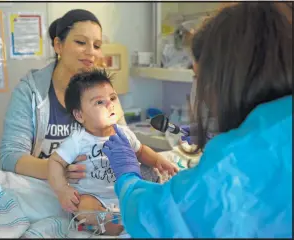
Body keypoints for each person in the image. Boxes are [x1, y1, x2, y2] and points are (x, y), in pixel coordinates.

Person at [102, 2, 292, 238]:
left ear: (223, 78)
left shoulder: (233, 163)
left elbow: (161, 216)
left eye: (198, 77)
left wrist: (128, 176)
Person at [0, 9, 129, 181]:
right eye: (81, 42)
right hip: (42, 187)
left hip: (92, 187)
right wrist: (57, 169)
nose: (91, 52)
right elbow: (10, 156)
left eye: (97, 45)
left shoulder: (103, 91)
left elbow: (123, 141)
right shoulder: (29, 92)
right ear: (58, 45)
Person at [48, 69, 178, 235]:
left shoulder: (124, 133)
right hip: (94, 196)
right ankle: (113, 226)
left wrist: (158, 160)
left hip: (126, 194)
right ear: (79, 115)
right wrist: (62, 190)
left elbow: (141, 151)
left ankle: (129, 220)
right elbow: (55, 161)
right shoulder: (78, 141)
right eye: (99, 102)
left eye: (113, 98)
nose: (110, 104)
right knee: (84, 208)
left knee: (151, 195)